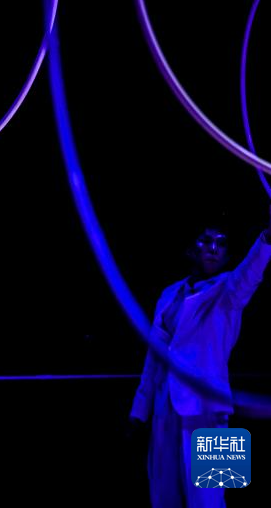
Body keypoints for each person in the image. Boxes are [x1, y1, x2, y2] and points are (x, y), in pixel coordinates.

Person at [128, 209, 271, 508]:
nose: (213, 248)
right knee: (164, 498)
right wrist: (139, 411)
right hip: (166, 410)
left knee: (211, 501)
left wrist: (268, 237)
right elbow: (154, 358)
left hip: (211, 412)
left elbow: (249, 274)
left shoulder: (229, 291)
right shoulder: (169, 294)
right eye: (206, 241)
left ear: (228, 254)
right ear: (191, 248)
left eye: (221, 243)